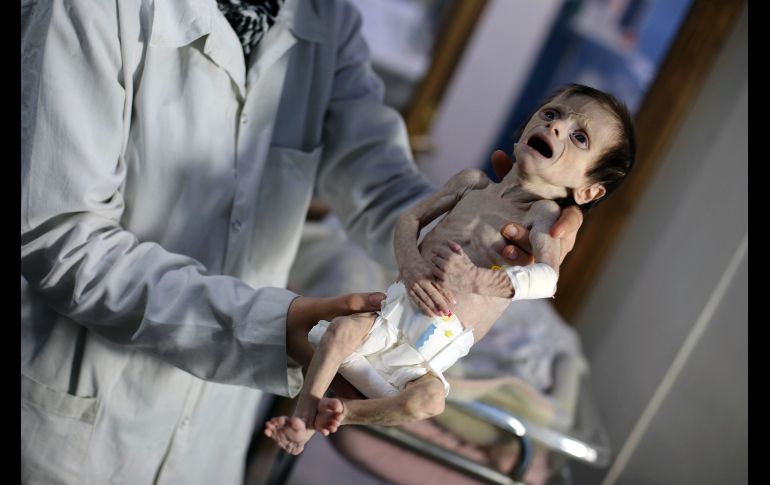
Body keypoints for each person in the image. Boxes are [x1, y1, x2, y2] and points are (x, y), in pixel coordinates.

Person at [20, 1, 584, 483]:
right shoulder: (89, 10)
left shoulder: (323, 17)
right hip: (76, 422)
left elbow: (379, 181)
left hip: (209, 440)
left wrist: (475, 224)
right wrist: (282, 329)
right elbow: (63, 238)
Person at [264, 83, 635, 455]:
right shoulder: (471, 184)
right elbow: (409, 219)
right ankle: (302, 424)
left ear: (588, 191)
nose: (556, 127)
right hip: (390, 320)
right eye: (552, 114)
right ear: (525, 128)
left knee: (429, 401)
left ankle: (343, 414)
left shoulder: (542, 215)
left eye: (580, 137)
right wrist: (410, 265)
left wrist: (477, 279)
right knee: (340, 331)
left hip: (424, 359)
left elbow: (547, 279)